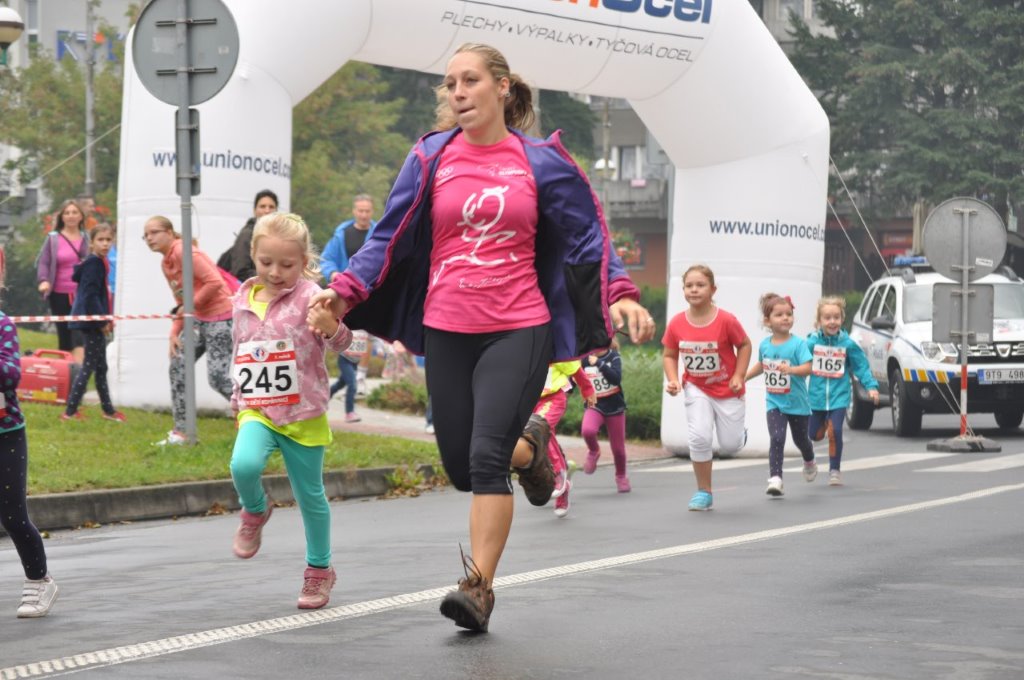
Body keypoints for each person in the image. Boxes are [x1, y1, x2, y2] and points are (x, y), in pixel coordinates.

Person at [307, 42, 654, 632]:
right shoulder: (431, 156)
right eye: (450, 83)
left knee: (485, 460)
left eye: (469, 80)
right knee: (463, 468)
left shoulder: (539, 161)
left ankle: (478, 589)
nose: (458, 92)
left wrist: (619, 292)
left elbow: (587, 236)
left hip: (519, 325)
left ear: (502, 86)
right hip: (447, 324)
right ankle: (533, 448)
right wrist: (344, 291)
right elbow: (386, 237)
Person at [229, 212, 352, 610]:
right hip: (258, 410)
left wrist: (331, 327)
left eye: (287, 265)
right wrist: (238, 403)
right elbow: (239, 354)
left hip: (304, 414)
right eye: (266, 262)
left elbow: (353, 349)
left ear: (304, 262)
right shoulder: (242, 299)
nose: (275, 272)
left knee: (310, 497)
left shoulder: (313, 297)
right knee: (243, 465)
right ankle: (255, 509)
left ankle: (319, 569)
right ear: (253, 255)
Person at [0, 247, 60, 618]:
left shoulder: (3, 324)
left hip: (6, 434)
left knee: (12, 515)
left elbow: (11, 374)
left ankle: (40, 580)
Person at [662, 264, 751, 512]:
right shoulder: (677, 323)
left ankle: (739, 435)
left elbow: (744, 345)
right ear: (683, 290)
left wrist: (739, 375)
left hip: (728, 389)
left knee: (730, 445)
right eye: (689, 285)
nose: (694, 290)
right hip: (696, 386)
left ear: (713, 289)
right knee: (699, 437)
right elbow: (669, 355)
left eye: (700, 285)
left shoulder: (726, 320)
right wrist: (673, 379)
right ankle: (704, 491)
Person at [144, 216, 234, 445]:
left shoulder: (185, 252)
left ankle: (257, 416)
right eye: (146, 235)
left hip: (221, 317)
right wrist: (174, 332)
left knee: (218, 378)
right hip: (197, 319)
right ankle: (181, 432)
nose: (149, 238)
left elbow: (215, 282)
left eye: (154, 232)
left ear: (169, 232)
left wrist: (191, 306)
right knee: (178, 365)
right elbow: (181, 300)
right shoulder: (166, 263)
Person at [744, 293, 816, 497]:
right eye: (779, 315)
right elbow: (762, 365)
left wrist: (791, 370)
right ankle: (776, 478)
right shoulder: (765, 345)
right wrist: (744, 377)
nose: (785, 318)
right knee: (777, 437)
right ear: (767, 321)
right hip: (774, 402)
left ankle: (809, 458)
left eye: (789, 314)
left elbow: (809, 368)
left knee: (801, 440)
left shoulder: (799, 344)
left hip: (798, 403)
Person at [806, 296, 879, 486]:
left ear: (842, 319)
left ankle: (834, 470)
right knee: (814, 435)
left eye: (836, 317)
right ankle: (820, 431)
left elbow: (861, 366)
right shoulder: (812, 343)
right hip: (816, 397)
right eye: (827, 318)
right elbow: (800, 361)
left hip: (839, 397)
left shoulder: (848, 344)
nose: (832, 322)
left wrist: (871, 387)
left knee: (835, 431)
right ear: (819, 321)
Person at [62, 224, 126, 423]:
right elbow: (90, 295)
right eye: (101, 240)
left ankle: (108, 410)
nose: (105, 244)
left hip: (92, 319)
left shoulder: (99, 262)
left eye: (108, 240)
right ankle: (70, 411)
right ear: (92, 243)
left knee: (101, 367)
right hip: (91, 321)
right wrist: (102, 320)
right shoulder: (94, 264)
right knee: (89, 366)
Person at [321, 195, 377, 398]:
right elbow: (326, 259)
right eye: (360, 210)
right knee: (347, 334)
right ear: (354, 211)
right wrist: (333, 273)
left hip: (370, 292)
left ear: (372, 212)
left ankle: (359, 377)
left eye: (367, 211)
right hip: (345, 293)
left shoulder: (378, 233)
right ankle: (347, 377)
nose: (364, 214)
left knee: (367, 335)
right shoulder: (341, 235)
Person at [533, 360, 596, 518]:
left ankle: (558, 474)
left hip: (553, 398)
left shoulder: (553, 350)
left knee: (539, 429)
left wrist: (587, 390)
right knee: (539, 439)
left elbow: (574, 368)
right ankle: (563, 484)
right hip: (529, 402)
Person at [35, 199, 90, 363]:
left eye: (74, 212)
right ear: (62, 217)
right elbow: (44, 262)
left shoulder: (87, 239)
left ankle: (79, 373)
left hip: (81, 294)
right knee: (64, 335)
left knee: (79, 334)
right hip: (58, 294)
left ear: (81, 216)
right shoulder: (53, 239)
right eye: (67, 213)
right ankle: (67, 373)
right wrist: (43, 281)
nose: (71, 216)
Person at [581, 337, 631, 493]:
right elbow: (575, 377)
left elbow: (616, 379)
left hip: (615, 407)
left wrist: (600, 364)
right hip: (595, 405)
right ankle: (594, 451)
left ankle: (621, 476)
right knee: (587, 431)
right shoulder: (585, 359)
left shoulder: (613, 356)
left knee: (618, 450)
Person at [219, 189, 279, 282]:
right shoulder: (247, 235)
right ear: (255, 210)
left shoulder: (278, 236)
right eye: (262, 206)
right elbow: (240, 271)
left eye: (271, 207)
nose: (267, 211)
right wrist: (270, 278)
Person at [329, 329, 368, 422]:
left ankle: (324, 397)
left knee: (340, 384)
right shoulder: (351, 324)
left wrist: (379, 349)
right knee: (352, 385)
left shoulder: (368, 328)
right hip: (345, 360)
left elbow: (374, 340)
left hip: (355, 362)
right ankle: (349, 413)